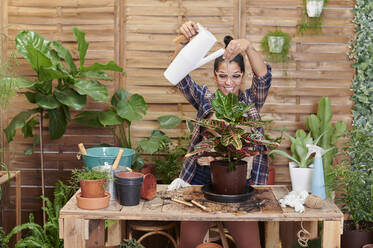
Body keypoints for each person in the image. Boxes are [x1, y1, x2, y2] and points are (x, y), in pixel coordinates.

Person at [172, 21, 272, 248]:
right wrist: (185, 41)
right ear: (215, 75)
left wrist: (247, 47)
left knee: (251, 245)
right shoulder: (205, 97)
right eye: (222, 76)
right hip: (201, 177)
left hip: (239, 180)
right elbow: (180, 76)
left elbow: (264, 77)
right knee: (188, 243)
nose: (229, 83)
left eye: (236, 76)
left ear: (243, 76)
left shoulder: (250, 101)